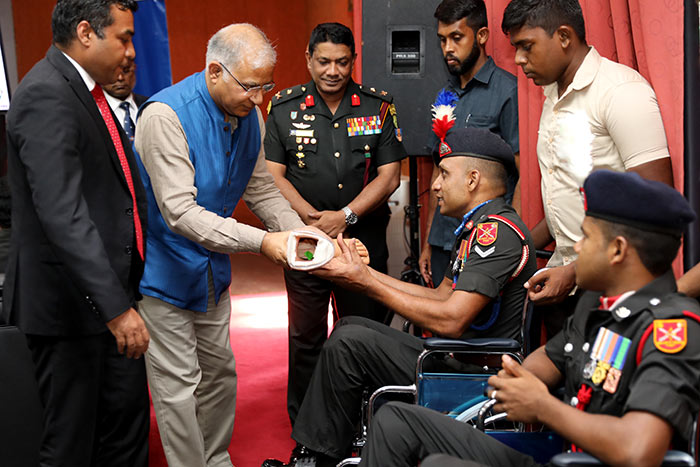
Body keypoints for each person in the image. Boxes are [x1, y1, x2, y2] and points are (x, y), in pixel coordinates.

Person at [359, 170, 700, 467]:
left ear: (618, 250)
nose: (577, 247)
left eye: (587, 236)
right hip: (562, 454)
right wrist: (515, 379)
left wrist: (542, 407)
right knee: (396, 422)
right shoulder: (599, 305)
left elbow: (640, 450)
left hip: (582, 459)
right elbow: (550, 359)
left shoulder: (671, 329)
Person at [262, 127, 537, 467]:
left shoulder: (496, 233)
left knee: (351, 343)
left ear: (473, 179)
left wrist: (367, 285)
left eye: (444, 174)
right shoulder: (480, 226)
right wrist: (363, 273)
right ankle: (316, 454)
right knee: (350, 329)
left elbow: (452, 319)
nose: (435, 185)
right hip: (455, 358)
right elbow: (442, 296)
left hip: (469, 370)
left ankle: (315, 458)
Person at [133, 24, 309, 467]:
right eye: (251, 87)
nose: (260, 99)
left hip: (212, 274)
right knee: (179, 387)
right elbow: (181, 214)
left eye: (266, 86)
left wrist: (304, 237)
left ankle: (215, 459)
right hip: (163, 275)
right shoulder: (165, 117)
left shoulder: (251, 114)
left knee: (220, 377)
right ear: (215, 71)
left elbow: (263, 191)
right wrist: (264, 242)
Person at [2, 0, 150, 465]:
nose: (130, 52)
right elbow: (62, 214)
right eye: (123, 38)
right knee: (71, 444)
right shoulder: (47, 93)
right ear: (86, 33)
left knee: (124, 431)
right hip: (70, 310)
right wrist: (116, 309)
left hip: (107, 301)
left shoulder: (86, 91)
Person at [501, 0, 674, 338]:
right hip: (566, 283)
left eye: (527, 46)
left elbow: (656, 207)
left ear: (564, 36)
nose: (519, 59)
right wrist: (511, 247)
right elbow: (564, 199)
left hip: (614, 288)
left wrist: (575, 272)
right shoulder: (552, 94)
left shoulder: (621, 92)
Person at [264, 22, 406, 425]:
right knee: (305, 335)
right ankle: (307, 423)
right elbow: (273, 175)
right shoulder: (284, 107)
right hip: (305, 238)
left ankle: (364, 420)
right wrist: (309, 215)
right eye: (323, 61)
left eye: (342, 62)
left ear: (353, 61)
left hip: (361, 239)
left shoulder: (378, 106)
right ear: (308, 59)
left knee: (364, 332)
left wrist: (346, 216)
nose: (332, 71)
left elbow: (390, 175)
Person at [419, 0, 519, 288]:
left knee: (478, 329)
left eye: (457, 37)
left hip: (485, 242)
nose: (448, 48)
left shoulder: (507, 91)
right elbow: (438, 171)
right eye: (442, 40)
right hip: (443, 239)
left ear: (482, 36)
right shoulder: (443, 95)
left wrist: (511, 240)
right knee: (439, 323)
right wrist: (428, 241)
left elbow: (521, 171)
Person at [103, 63, 146, 143]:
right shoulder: (91, 110)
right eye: (113, 72)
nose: (120, 78)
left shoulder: (149, 105)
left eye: (126, 71)